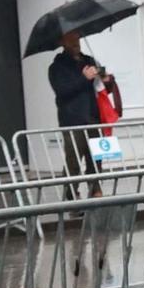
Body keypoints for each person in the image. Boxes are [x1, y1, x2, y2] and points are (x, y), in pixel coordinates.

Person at [48, 31, 118, 189]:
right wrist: (84, 78)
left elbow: (102, 88)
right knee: (73, 161)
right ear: (62, 42)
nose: (75, 42)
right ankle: (72, 195)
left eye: (77, 37)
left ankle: (96, 193)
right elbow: (62, 91)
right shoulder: (57, 67)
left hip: (94, 117)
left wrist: (107, 80)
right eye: (70, 39)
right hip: (73, 120)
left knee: (96, 160)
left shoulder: (89, 60)